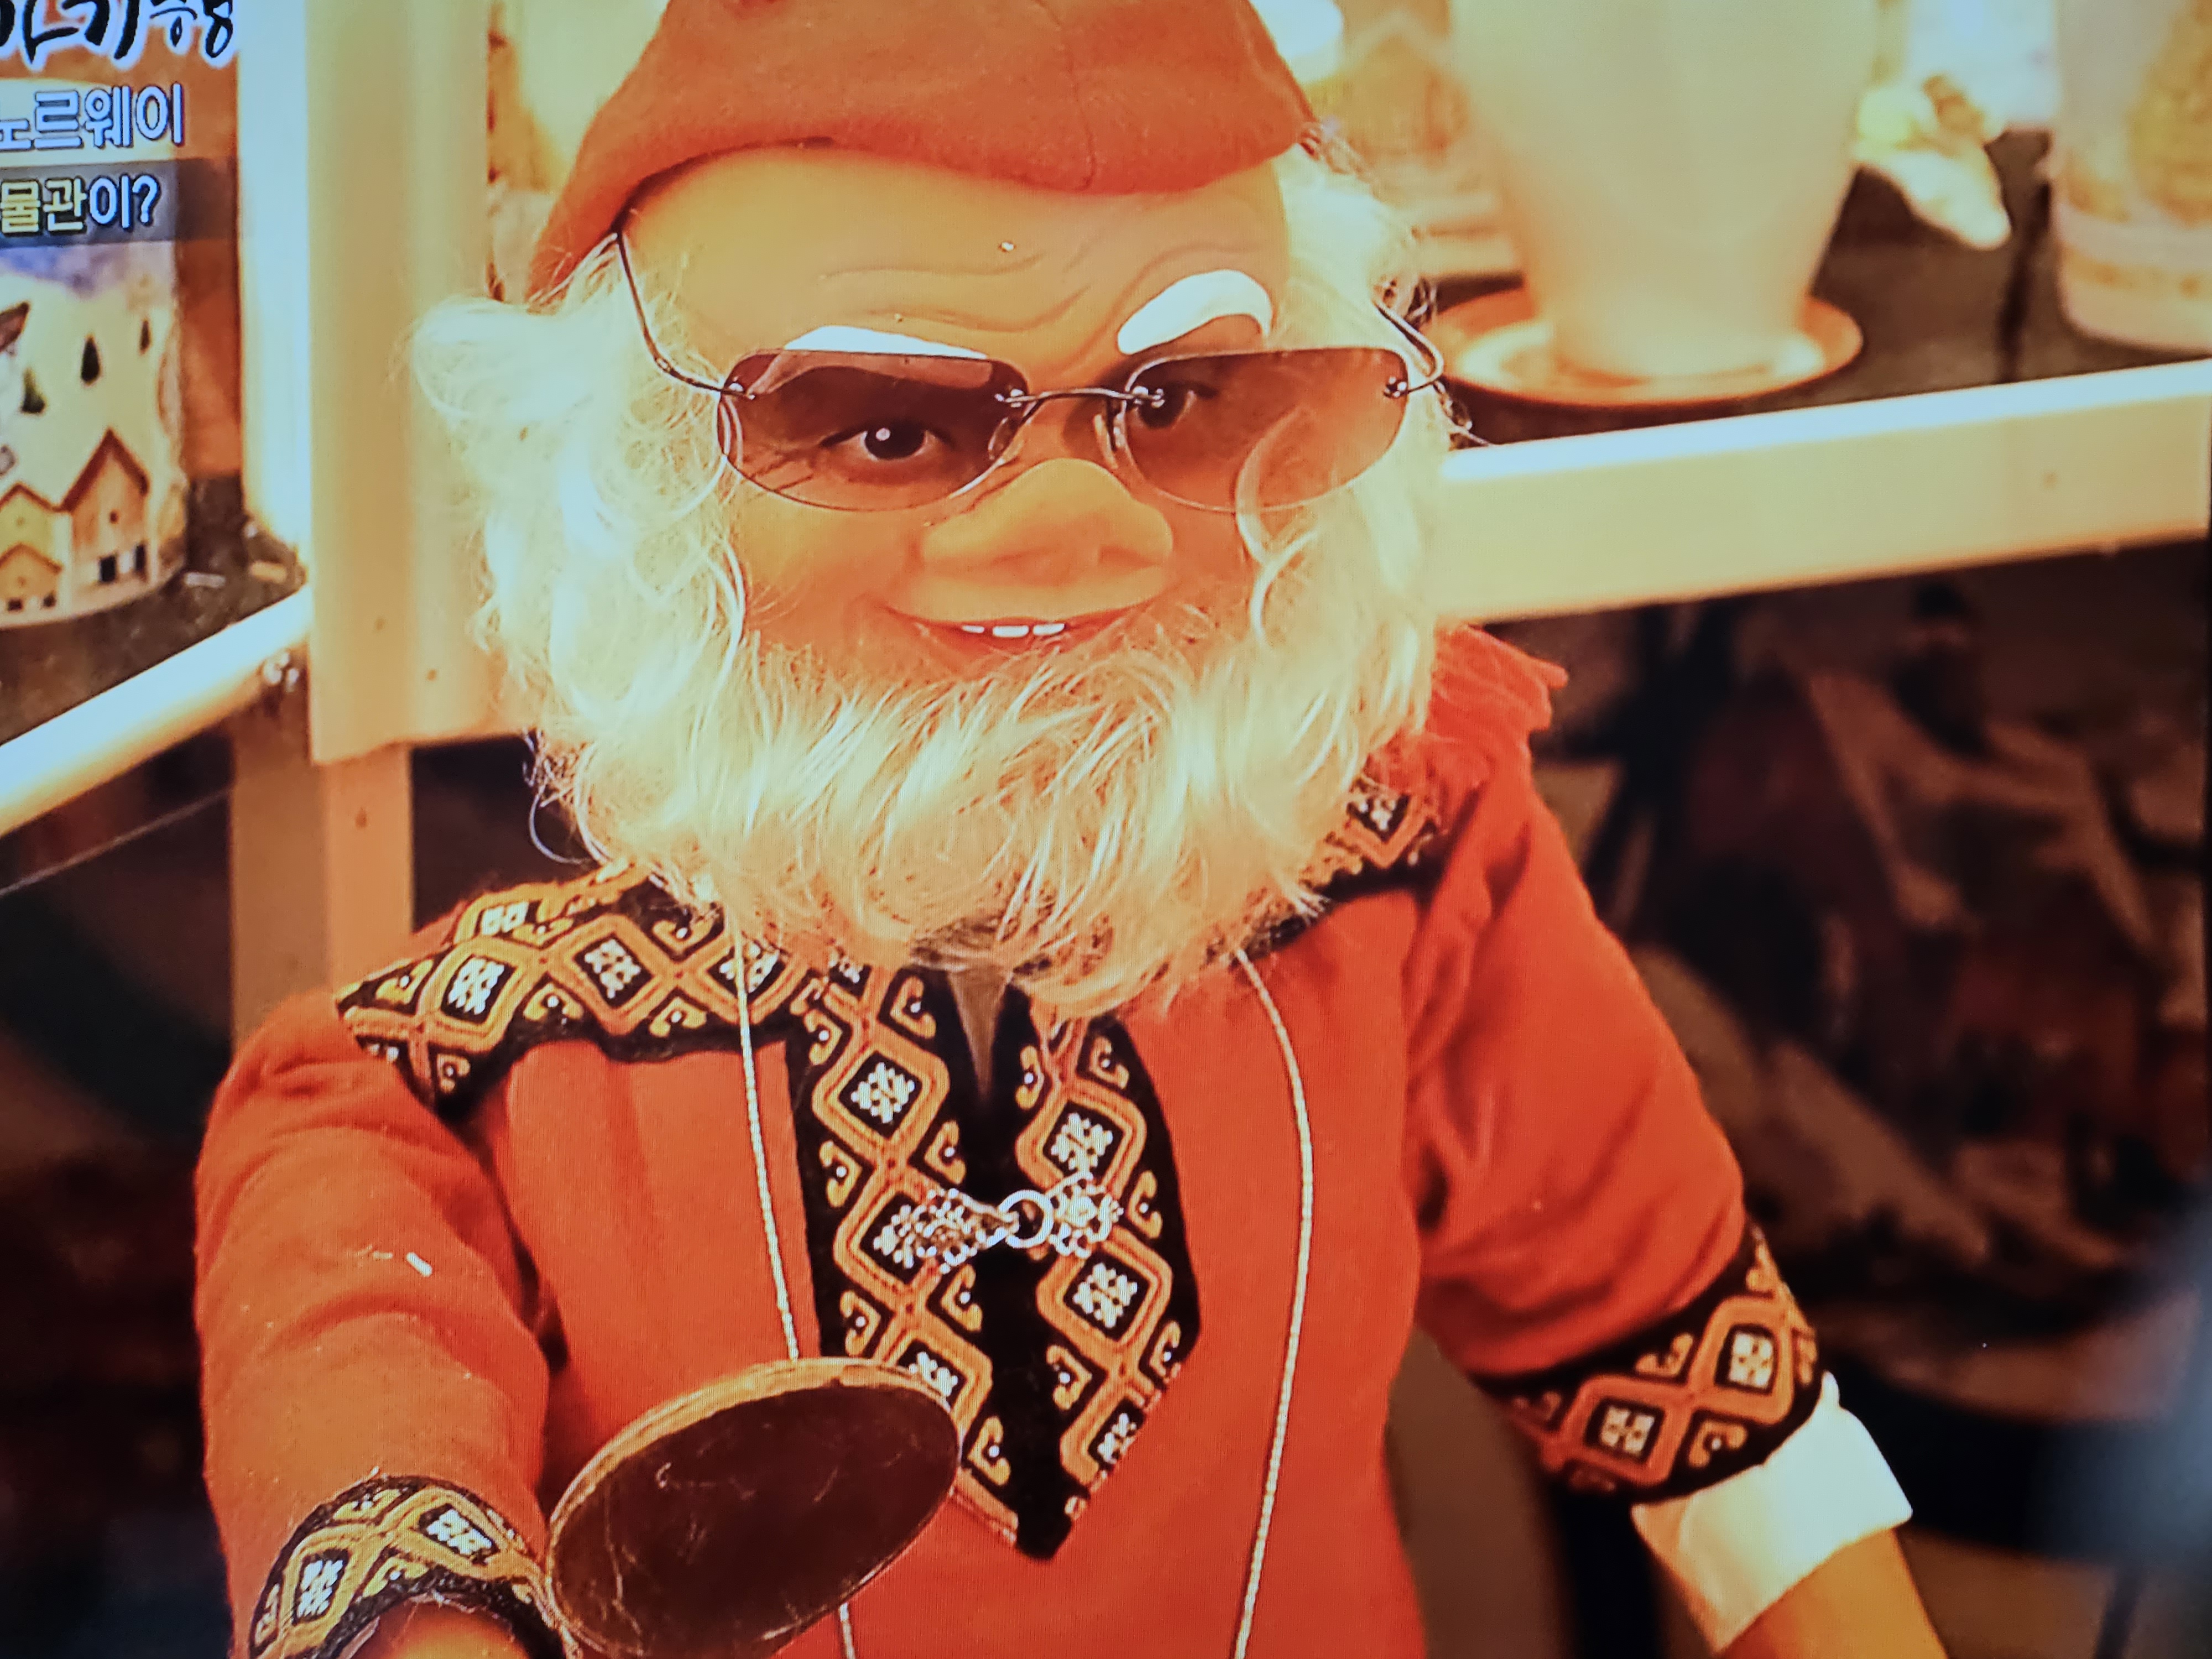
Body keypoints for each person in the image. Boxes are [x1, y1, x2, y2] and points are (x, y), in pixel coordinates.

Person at [195, 2, 1950, 1655]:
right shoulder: (438, 1083)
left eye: (1176, 403)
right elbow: (357, 1404)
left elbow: (1705, 1381)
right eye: (889, 426)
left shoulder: (1411, 876)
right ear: (645, 477)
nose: (1073, 532)